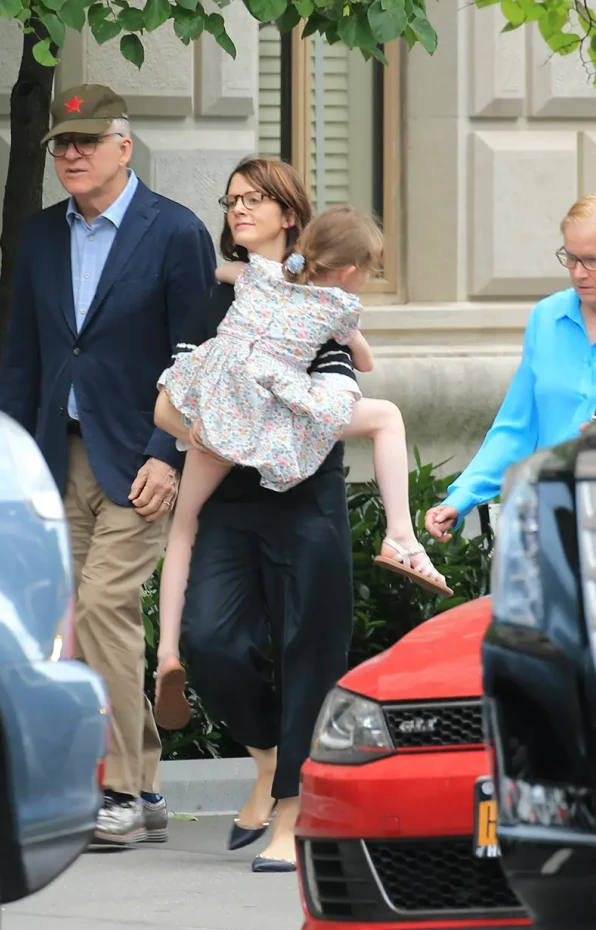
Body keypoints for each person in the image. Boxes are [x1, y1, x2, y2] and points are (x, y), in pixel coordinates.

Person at [0, 83, 216, 845]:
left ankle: (118, 792)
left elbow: (197, 360)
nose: (71, 154)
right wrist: (13, 459)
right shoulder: (41, 235)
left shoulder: (177, 232)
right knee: (82, 623)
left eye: (87, 141)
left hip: (140, 460)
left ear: (125, 146)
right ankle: (145, 787)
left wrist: (171, 453)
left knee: (102, 608)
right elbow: (21, 354)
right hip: (61, 455)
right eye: (62, 143)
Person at [153, 207, 452, 731]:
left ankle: (167, 653)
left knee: (185, 525)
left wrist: (264, 273)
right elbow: (365, 363)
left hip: (216, 401)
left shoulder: (260, 274)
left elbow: (225, 272)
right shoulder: (338, 304)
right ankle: (402, 537)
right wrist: (349, 325)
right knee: (387, 418)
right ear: (353, 270)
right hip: (264, 412)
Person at [152, 157, 354, 871]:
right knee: (208, 641)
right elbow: (172, 401)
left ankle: (293, 820)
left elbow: (339, 398)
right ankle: (267, 758)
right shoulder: (215, 298)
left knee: (310, 657)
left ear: (289, 214)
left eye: (255, 199)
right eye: (233, 200)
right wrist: (196, 428)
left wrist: (253, 414)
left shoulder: (317, 294)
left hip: (306, 500)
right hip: (230, 502)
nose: (240, 210)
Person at [425, 191, 596, 543]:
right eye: (570, 258)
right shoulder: (547, 318)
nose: (578, 273)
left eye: (593, 260)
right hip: (558, 522)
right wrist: (462, 497)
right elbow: (517, 428)